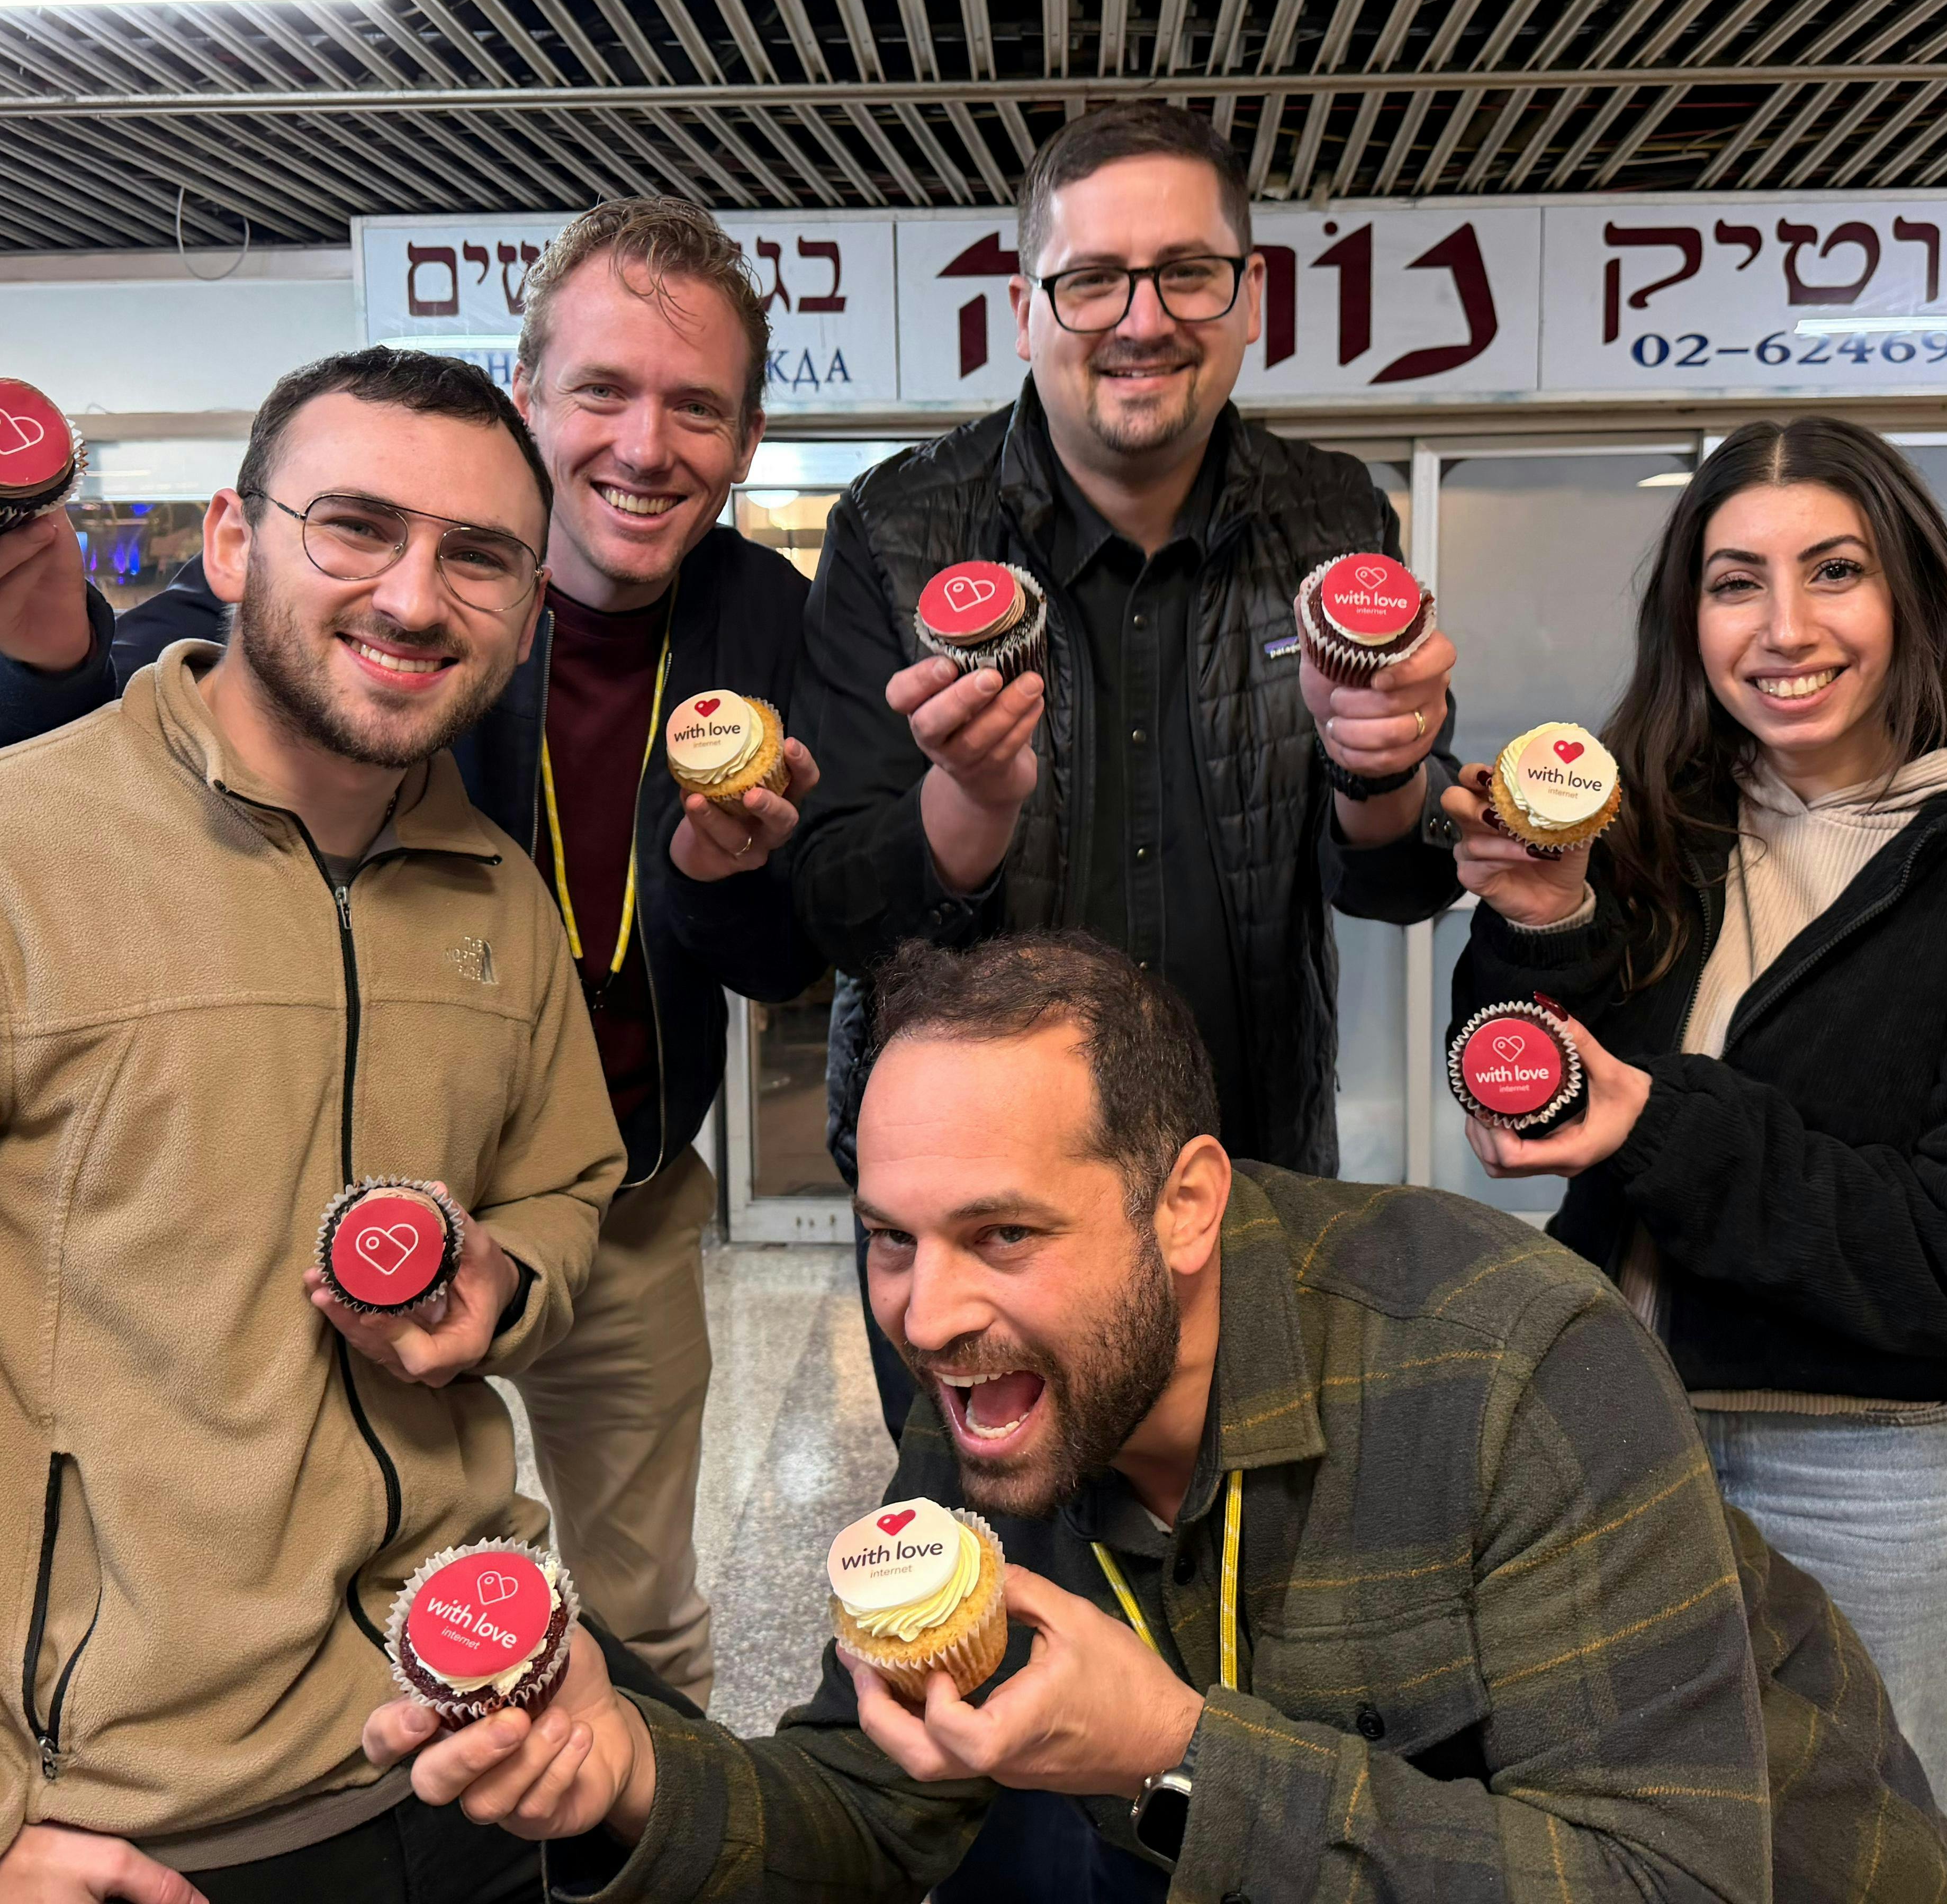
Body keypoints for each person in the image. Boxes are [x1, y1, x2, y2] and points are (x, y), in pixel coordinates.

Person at [362, 936, 1947, 1904]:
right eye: (889, 1236)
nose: (923, 1314)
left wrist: (1175, 1753)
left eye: (1004, 1233)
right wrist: (625, 1772)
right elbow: (879, 1805)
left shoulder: (1509, 1369)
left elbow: (1665, 1886)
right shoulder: (994, 1387)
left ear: (1187, 1203)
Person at [0, 200, 828, 1706]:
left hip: (614, 1195)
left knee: (638, 1624)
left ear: (747, 440)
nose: (646, 445)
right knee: (278, 1591)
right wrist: (48, 649)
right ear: (529, 402)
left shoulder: (767, 616)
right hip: (300, 1200)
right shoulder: (337, 599)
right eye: (601, 392)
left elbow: (787, 957)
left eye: (694, 406)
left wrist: (720, 882)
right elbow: (134, 740)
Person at [0, 352, 624, 1900]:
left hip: (473, 1740)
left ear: (529, 608)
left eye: (479, 556)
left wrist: (510, 1280)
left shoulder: (500, 892)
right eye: (354, 527)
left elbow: (568, 1185)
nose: (415, 599)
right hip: (143, 1822)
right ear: (232, 541)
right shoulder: (23, 851)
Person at [791, 100, 1462, 1436]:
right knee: (994, 1566)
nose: (1140, 318)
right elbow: (833, 908)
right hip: (971, 1209)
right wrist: (966, 812)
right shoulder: (896, 524)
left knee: (1254, 1548)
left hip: (1248, 1163)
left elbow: (1392, 885)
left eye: (1187, 273)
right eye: (1092, 277)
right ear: (1026, 306)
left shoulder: (1333, 516)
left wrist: (1386, 777)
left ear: (1250, 294)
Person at [1445, 416, 1947, 1824]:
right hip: (1615, 1439)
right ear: (1686, 616)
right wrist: (1544, 929)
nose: (1784, 629)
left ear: (1913, 591)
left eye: (1834, 572)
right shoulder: (1668, 819)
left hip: (1868, 1475)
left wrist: (1660, 1125)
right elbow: (1524, 1082)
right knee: (1633, 1836)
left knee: (1853, 1853)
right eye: (1733, 583)